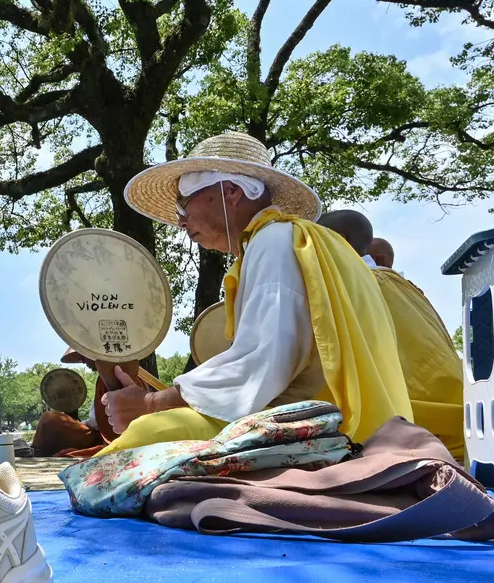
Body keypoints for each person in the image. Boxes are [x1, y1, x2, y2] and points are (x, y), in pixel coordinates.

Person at [96, 131, 412, 456]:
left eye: (184, 202)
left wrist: (152, 404)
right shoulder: (284, 240)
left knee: (144, 436)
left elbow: (261, 363)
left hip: (322, 431)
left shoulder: (275, 241)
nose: (180, 220)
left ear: (231, 191)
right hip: (323, 421)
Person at [318, 211, 465, 459]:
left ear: (339, 239)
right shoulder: (401, 286)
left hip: (416, 433)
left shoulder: (361, 286)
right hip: (461, 422)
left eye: (315, 240)